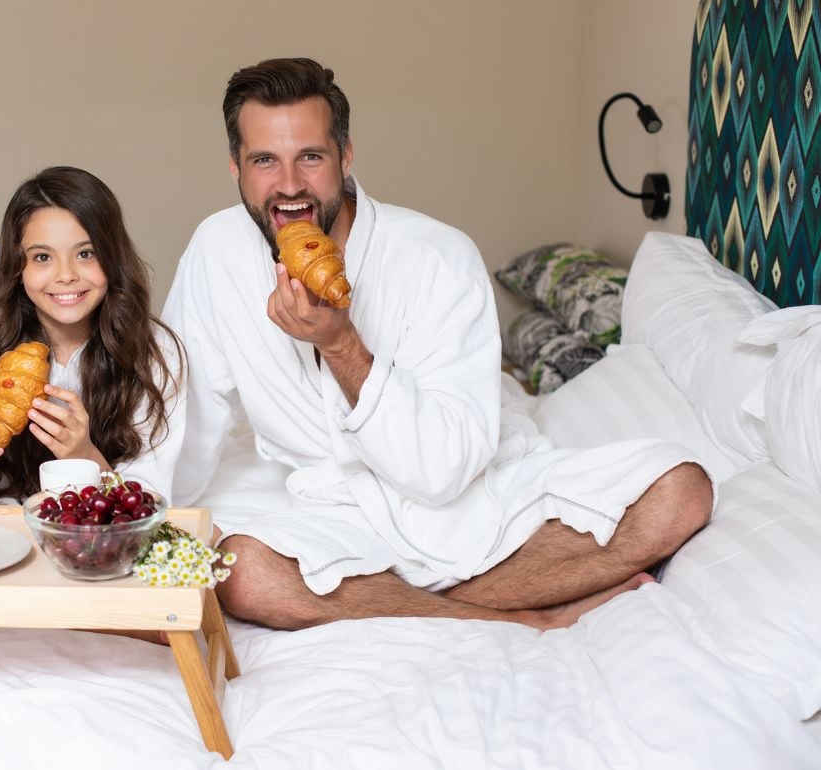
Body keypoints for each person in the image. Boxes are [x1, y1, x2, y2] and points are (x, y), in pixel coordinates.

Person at [161, 58, 714, 631]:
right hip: (323, 511)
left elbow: (444, 472)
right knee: (239, 569)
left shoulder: (439, 258)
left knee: (681, 492)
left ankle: (401, 600)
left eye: (311, 156)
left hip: (461, 502)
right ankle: (520, 616)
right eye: (264, 161)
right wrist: (124, 505)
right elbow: (185, 411)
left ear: (346, 157)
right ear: (235, 168)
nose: (291, 185)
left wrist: (342, 344)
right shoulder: (217, 249)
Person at [0, 166, 184, 505]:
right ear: (17, 266)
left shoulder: (156, 351)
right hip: (1, 543)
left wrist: (85, 454)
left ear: (113, 257)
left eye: (86, 254)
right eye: (42, 257)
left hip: (106, 546)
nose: (66, 275)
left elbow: (148, 508)